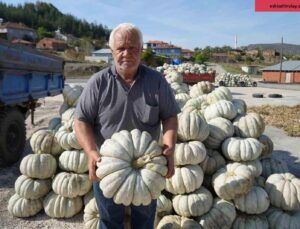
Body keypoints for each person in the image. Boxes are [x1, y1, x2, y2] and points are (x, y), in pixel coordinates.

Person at [74, 22, 180, 229]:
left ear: (141, 50)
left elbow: (170, 117)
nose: (126, 53)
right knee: (109, 220)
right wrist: (91, 152)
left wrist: (170, 149)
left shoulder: (156, 81)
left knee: (144, 220)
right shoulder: (98, 82)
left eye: (132, 48)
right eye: (121, 48)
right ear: (112, 51)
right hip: (107, 165)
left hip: (147, 165)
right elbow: (81, 121)